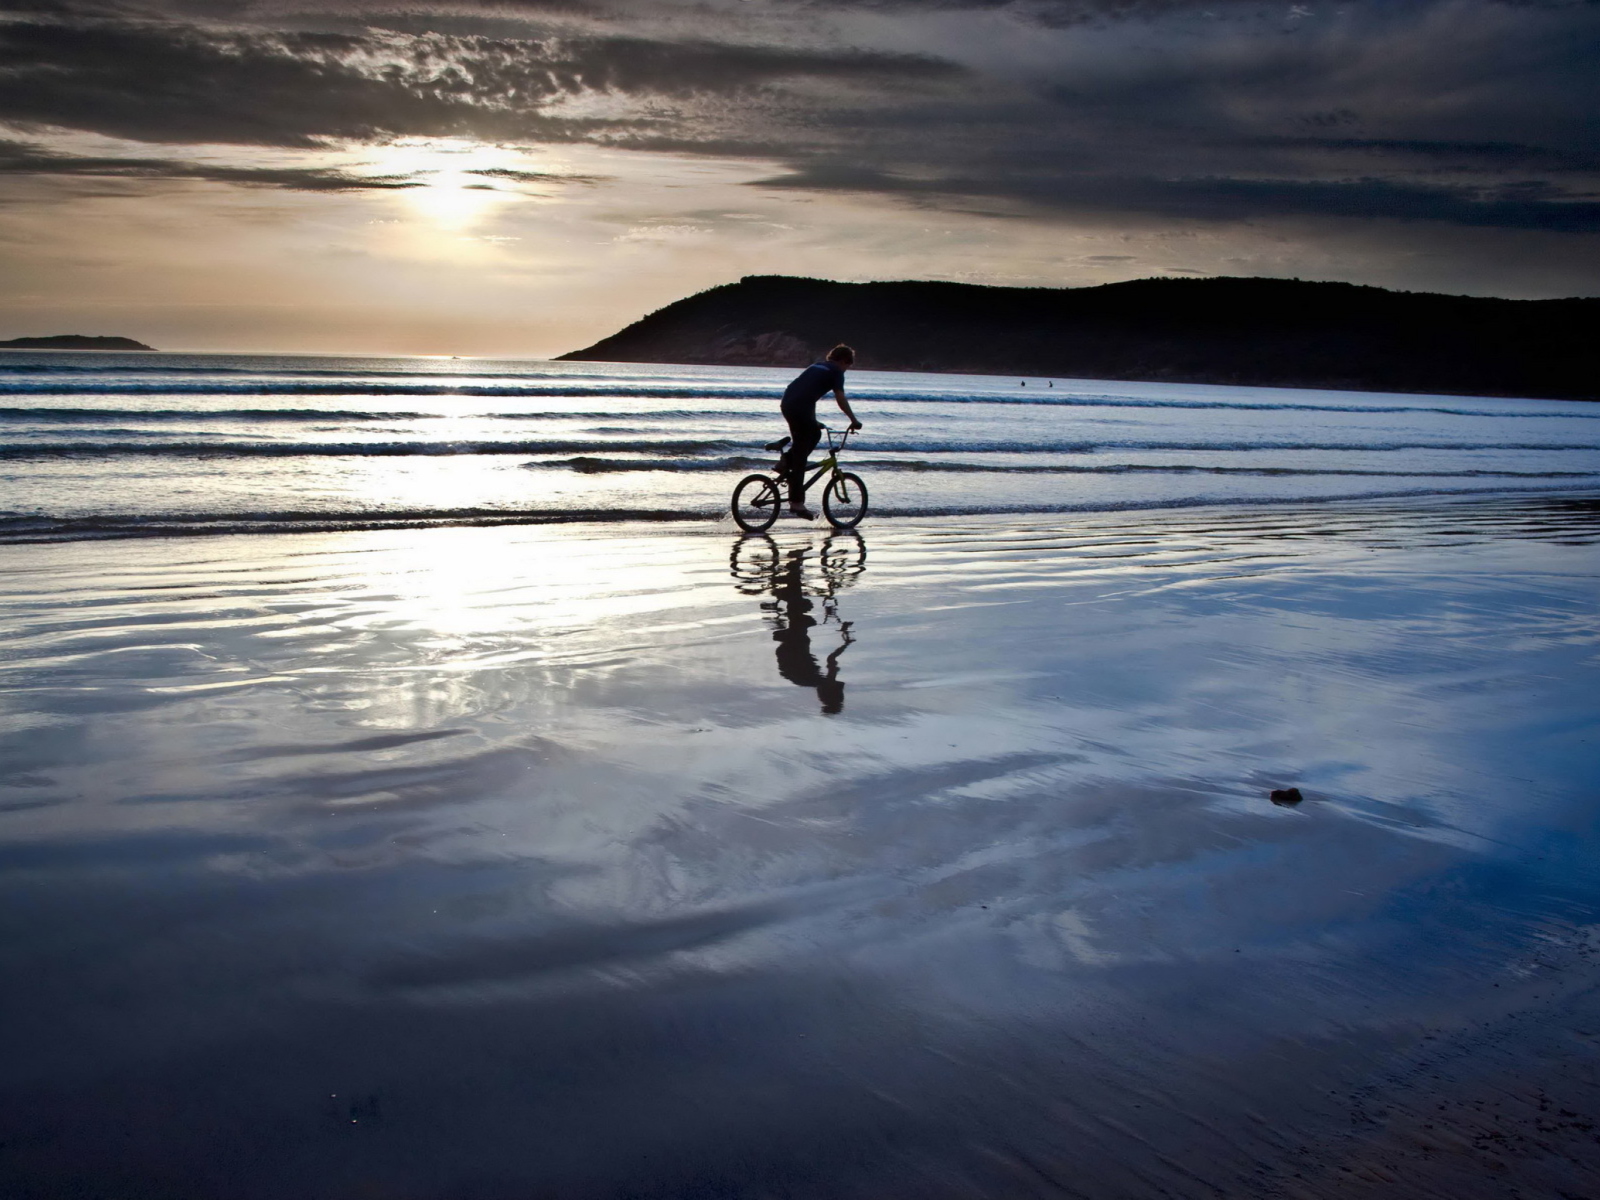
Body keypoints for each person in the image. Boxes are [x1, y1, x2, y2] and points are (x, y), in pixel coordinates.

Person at [780, 344, 861, 519]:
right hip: (800, 407)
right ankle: (797, 503)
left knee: (815, 433)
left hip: (788, 403)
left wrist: (813, 421)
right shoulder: (836, 371)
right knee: (801, 455)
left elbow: (806, 394)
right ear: (844, 361)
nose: (846, 370)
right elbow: (840, 398)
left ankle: (786, 461)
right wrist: (853, 420)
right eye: (848, 366)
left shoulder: (817, 365)